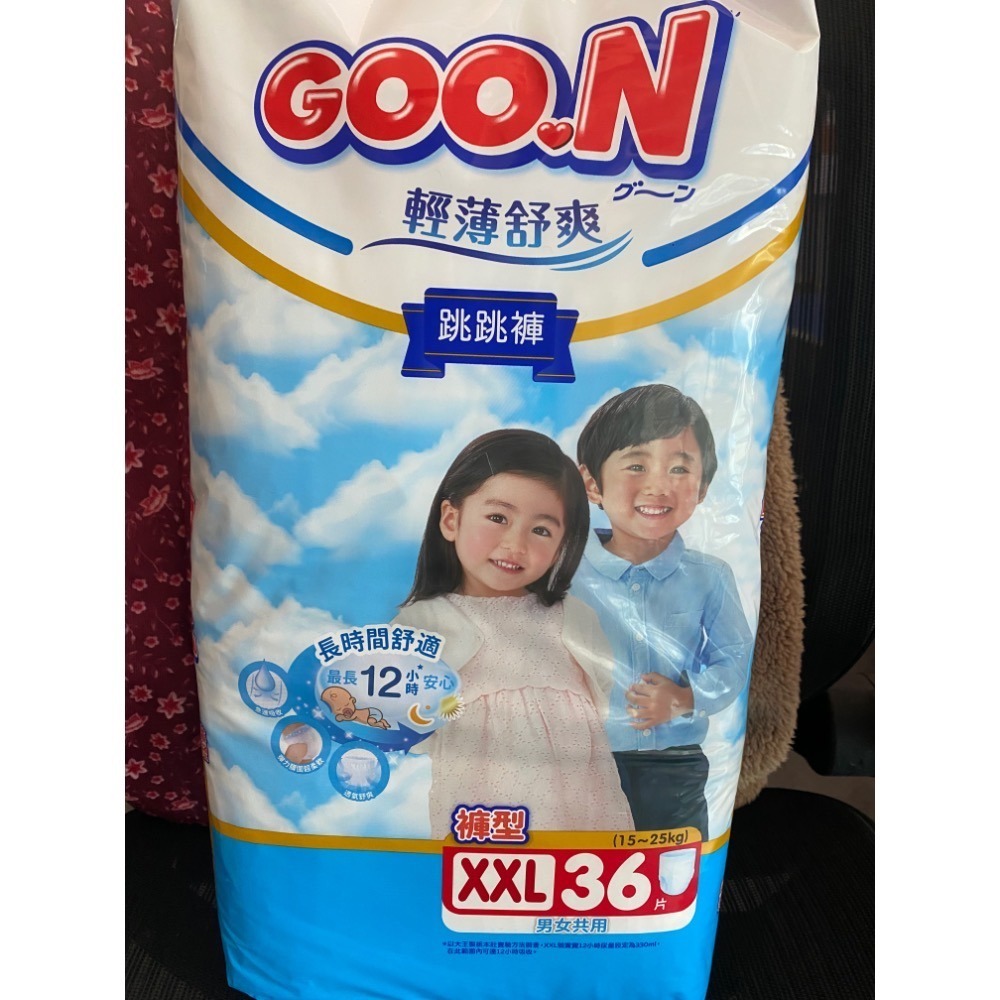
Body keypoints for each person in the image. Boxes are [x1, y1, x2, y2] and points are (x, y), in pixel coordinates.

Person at [394, 428, 634, 839]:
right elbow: (406, 725)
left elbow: (601, 697)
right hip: (484, 817)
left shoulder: (573, 617)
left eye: (541, 530)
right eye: (498, 518)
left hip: (586, 812)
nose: (515, 543)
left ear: (562, 545)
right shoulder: (427, 623)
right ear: (451, 519)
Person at [572, 384, 753, 838]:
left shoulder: (709, 576)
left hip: (675, 761)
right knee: (580, 857)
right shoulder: (562, 573)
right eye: (636, 465)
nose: (658, 485)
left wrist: (685, 698)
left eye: (679, 468)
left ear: (703, 487)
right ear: (592, 483)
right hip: (578, 758)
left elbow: (735, 657)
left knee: (673, 859)